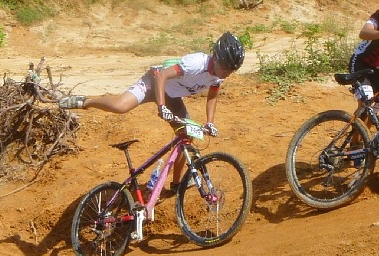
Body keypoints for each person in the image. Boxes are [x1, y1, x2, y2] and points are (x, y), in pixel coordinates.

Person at [58, 32, 246, 190]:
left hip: (172, 96)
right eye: (226, 68)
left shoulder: (218, 76)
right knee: (120, 107)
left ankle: (177, 184)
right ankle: (87, 101)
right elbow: (162, 75)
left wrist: (210, 121)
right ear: (217, 58)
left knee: (187, 136)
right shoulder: (196, 63)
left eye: (232, 70)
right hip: (153, 83)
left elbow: (212, 96)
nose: (227, 73)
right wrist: (161, 106)